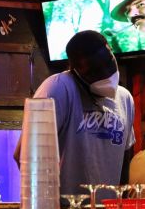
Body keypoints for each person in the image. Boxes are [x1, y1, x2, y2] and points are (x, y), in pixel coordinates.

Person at [15, 30, 135, 197]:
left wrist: (121, 203)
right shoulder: (57, 88)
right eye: (95, 71)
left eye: (109, 63)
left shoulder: (125, 98)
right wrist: (49, 206)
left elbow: (125, 156)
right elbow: (24, 154)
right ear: (75, 70)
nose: (106, 75)